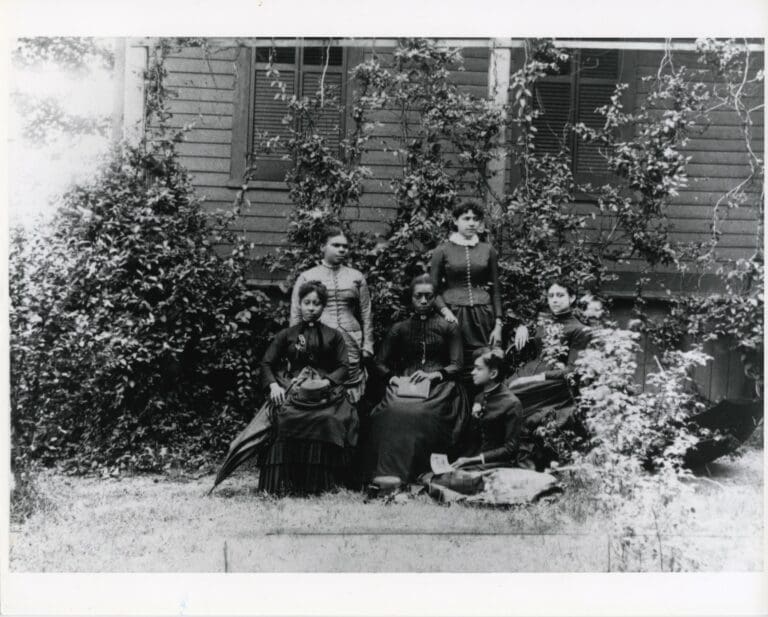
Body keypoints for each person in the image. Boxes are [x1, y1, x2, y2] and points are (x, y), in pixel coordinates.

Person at [366, 275, 469, 484]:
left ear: (435, 299)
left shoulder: (448, 327)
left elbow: (457, 365)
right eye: (418, 297)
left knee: (421, 412)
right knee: (391, 410)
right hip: (406, 383)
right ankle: (387, 475)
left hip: (441, 385)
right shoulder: (400, 328)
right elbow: (378, 362)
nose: (423, 301)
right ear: (410, 299)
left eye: (428, 297)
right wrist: (392, 379)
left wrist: (434, 375)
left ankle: (418, 473)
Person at [258, 280, 358, 495]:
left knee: (330, 420)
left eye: (316, 303)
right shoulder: (287, 335)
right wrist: (274, 385)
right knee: (284, 416)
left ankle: (322, 485)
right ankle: (284, 484)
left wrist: (327, 381)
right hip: (293, 390)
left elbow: (344, 366)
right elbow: (267, 362)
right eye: (307, 302)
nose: (311, 308)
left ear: (323, 307)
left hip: (326, 393)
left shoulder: (335, 335)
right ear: (300, 304)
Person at [430, 199, 528, 395]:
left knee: (483, 362)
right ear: (455, 221)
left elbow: (496, 289)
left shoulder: (487, 250)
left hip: (483, 316)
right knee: (455, 363)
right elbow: (432, 290)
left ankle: (480, 409)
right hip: (454, 316)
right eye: (466, 218)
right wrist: (444, 310)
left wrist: (498, 324)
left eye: (476, 219)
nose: (472, 223)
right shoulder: (442, 250)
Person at [505, 280, 593, 468]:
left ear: (572, 298)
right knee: (496, 394)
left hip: (554, 382)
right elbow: (531, 330)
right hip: (528, 370)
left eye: (560, 295)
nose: (554, 300)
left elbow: (572, 370)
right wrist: (522, 328)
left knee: (513, 400)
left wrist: (537, 378)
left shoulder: (579, 330)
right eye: (551, 296)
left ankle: (522, 460)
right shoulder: (543, 321)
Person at [290, 226, 374, 404]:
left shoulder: (356, 277)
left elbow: (366, 313)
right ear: (322, 247)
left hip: (351, 337)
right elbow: (296, 314)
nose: (342, 249)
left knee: (350, 385)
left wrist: (368, 343)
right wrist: (295, 348)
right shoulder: (307, 276)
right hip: (319, 340)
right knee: (320, 383)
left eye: (345, 246)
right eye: (336, 245)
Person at [451, 347, 530, 470]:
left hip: (499, 464)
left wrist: (473, 460)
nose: (472, 372)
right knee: (433, 477)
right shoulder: (479, 397)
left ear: (493, 373)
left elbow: (510, 449)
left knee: (448, 481)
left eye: (478, 369)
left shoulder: (512, 404)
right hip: (475, 459)